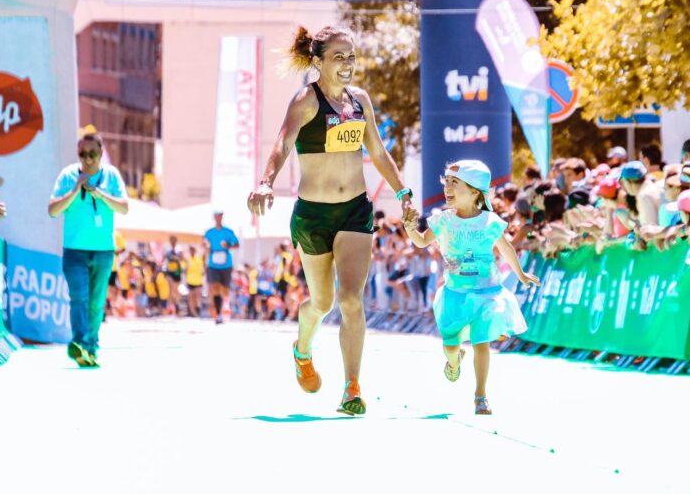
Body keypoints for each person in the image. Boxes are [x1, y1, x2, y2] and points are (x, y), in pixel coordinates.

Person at [247, 25, 415, 415]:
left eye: (351, 57)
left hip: (355, 210)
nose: (347, 64)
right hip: (313, 215)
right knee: (321, 303)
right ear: (318, 61)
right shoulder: (306, 100)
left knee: (352, 299)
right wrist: (265, 182)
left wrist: (403, 191)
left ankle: (352, 388)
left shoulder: (360, 102)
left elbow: (376, 149)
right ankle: (302, 349)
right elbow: (282, 142)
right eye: (338, 57)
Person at [402, 160, 539, 415]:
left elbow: (506, 248)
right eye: (447, 182)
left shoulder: (490, 221)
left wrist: (520, 274)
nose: (448, 188)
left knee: (481, 342)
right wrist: (410, 227)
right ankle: (454, 361)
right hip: (455, 294)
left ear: (475, 191)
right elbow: (421, 242)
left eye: (456, 183)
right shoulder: (442, 220)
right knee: (451, 346)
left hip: (487, 294)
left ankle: (481, 396)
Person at [48, 132, 128, 367]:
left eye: (92, 154)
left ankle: (91, 347)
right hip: (74, 251)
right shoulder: (68, 176)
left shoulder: (111, 176)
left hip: (103, 251)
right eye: (83, 154)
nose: (88, 159)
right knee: (78, 298)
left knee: (96, 302)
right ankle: (80, 343)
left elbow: (124, 208)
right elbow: (52, 210)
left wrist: (99, 194)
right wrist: (75, 190)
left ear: (101, 153)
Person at [203, 210, 240, 324]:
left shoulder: (228, 232)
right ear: (214, 218)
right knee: (214, 287)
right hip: (213, 264)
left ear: (222, 217)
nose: (218, 218)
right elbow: (204, 243)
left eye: (220, 216)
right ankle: (218, 314)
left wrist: (228, 245)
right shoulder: (209, 232)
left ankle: (225, 306)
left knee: (225, 289)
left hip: (226, 264)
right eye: (216, 216)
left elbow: (237, 244)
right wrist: (206, 245)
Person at [162, 235, 184, 314]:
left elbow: (182, 258)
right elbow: (164, 258)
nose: (172, 241)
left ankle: (176, 304)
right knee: (170, 288)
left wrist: (176, 258)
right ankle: (170, 306)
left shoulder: (179, 249)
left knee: (175, 290)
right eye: (171, 240)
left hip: (177, 272)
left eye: (173, 239)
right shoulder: (167, 249)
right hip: (169, 271)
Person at [185, 245, 205, 317]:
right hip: (190, 281)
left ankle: (197, 309)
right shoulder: (188, 259)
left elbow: (202, 268)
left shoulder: (199, 259)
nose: (191, 251)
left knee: (197, 296)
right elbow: (185, 270)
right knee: (191, 297)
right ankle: (193, 312)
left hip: (198, 281)